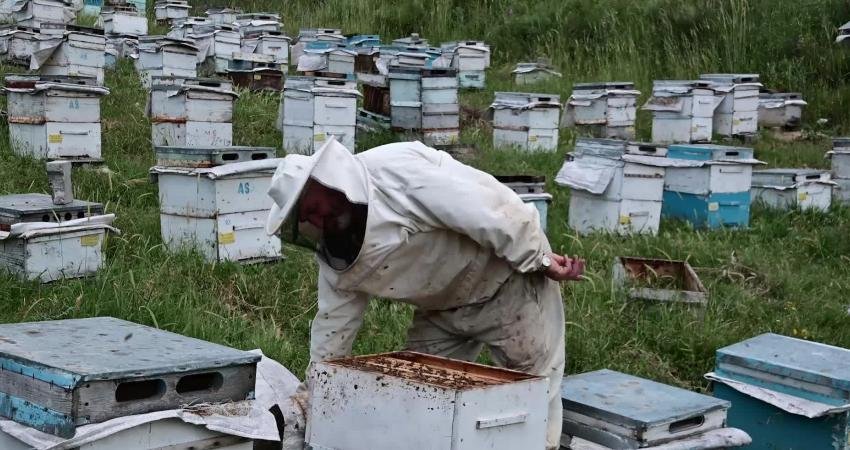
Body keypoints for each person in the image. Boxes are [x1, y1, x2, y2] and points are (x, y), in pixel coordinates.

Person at [266, 139, 585, 449]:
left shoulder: (396, 172)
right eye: (308, 218)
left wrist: (537, 257)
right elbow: (333, 327)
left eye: (316, 208)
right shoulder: (336, 253)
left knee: (530, 403)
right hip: (442, 310)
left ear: (328, 182)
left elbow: (484, 208)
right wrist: (317, 390)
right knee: (419, 405)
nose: (318, 221)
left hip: (507, 285)